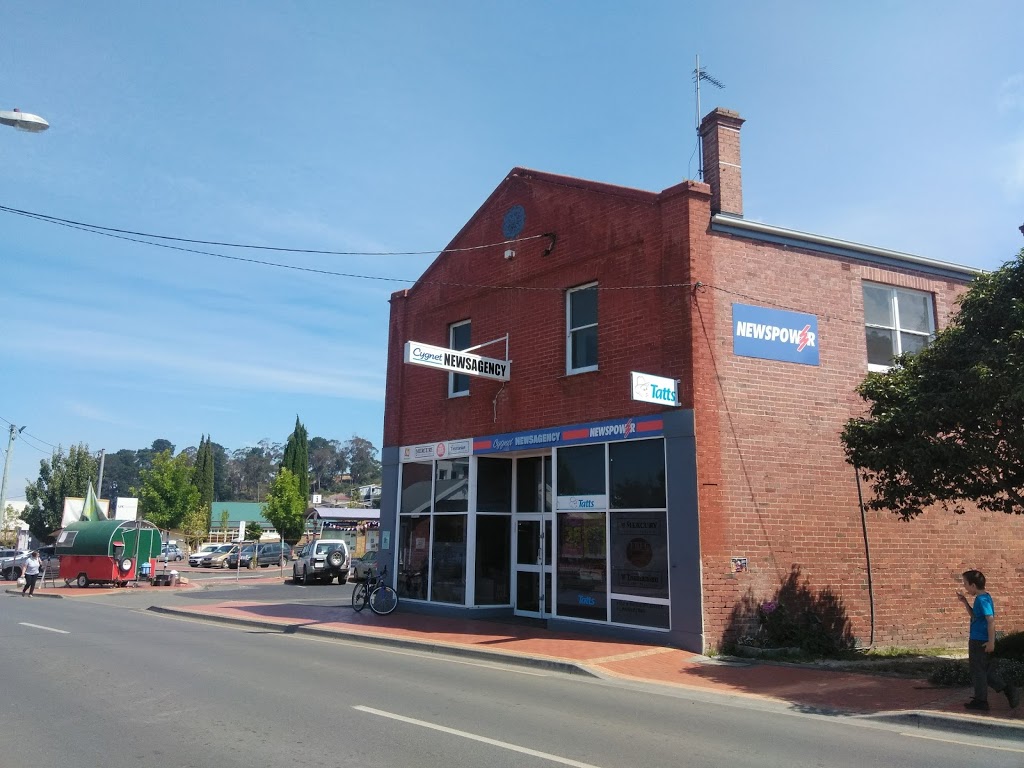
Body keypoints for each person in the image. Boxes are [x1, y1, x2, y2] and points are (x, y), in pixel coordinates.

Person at [956, 569, 1019, 711]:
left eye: (965, 584)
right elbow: (975, 616)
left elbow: (990, 620)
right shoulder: (982, 598)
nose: (965, 587)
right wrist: (965, 602)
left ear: (973, 585)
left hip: (980, 641)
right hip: (980, 639)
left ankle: (982, 701)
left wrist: (991, 642)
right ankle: (1008, 690)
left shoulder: (982, 600)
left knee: (978, 671)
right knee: (985, 672)